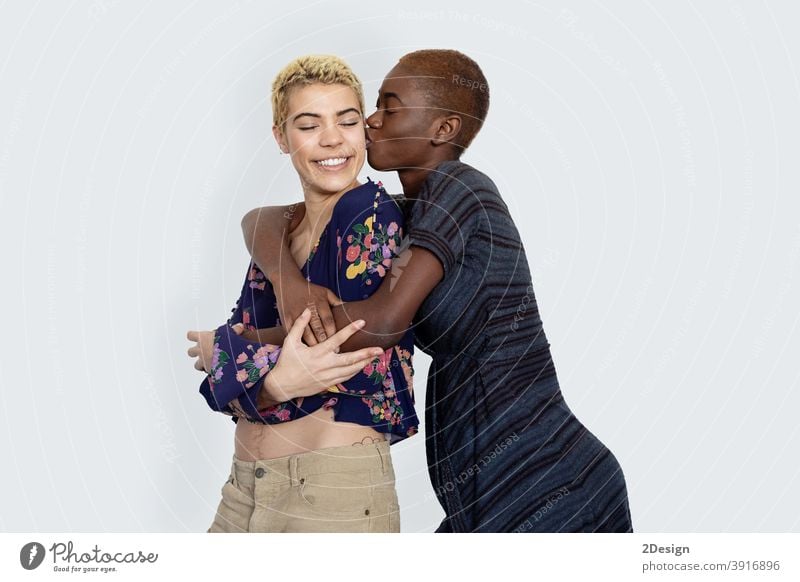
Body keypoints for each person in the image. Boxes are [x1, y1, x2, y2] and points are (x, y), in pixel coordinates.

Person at [240, 49, 633, 533]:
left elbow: (382, 323)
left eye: (390, 106)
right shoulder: (413, 211)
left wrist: (246, 343)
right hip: (477, 487)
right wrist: (290, 282)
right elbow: (262, 218)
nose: (370, 120)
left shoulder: (461, 189)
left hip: (548, 479)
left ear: (443, 130)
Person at [186, 55, 418, 533]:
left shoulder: (369, 213)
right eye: (309, 125)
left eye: (347, 121)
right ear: (280, 138)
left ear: (363, 131)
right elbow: (240, 342)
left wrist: (225, 351)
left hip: (331, 488)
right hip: (244, 488)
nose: (332, 138)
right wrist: (267, 376)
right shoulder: (283, 232)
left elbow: (337, 336)